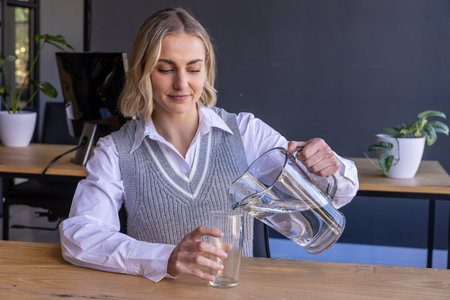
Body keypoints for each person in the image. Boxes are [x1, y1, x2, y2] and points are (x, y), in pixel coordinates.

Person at [60, 7, 359, 283]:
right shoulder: (115, 151)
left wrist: (326, 170)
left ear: (206, 70)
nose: (182, 84)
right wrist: (165, 257)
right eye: (165, 69)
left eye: (193, 69)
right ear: (142, 73)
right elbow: (79, 237)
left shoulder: (245, 132)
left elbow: (334, 196)